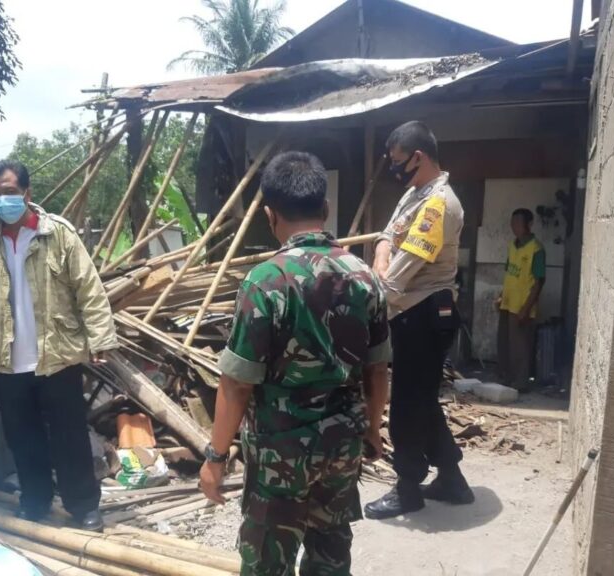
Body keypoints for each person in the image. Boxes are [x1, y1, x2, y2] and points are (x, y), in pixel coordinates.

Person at [198, 151, 391, 575]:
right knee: (330, 555)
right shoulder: (365, 278)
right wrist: (373, 431)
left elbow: (236, 383)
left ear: (270, 215)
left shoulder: (266, 280)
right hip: (342, 444)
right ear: (324, 209)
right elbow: (378, 369)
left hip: (279, 456)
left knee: (269, 560)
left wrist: (215, 457)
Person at [0, 160, 117, 531]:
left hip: (56, 354)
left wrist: (100, 337)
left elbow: (87, 287)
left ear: (27, 193)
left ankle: (84, 507)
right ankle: (35, 500)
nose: (3, 199)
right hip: (7, 360)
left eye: (9, 191)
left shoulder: (57, 233)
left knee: (69, 435)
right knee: (22, 439)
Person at [365, 121, 473, 520]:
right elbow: (385, 237)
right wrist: (380, 255)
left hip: (425, 314)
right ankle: (452, 480)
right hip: (413, 310)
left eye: (398, 162)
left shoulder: (438, 204)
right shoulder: (415, 194)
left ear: (419, 157)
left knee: (409, 403)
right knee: (422, 400)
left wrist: (379, 275)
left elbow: (395, 277)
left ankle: (407, 487)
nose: (395, 170)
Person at [497, 208, 546, 391]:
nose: (514, 227)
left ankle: (521, 383)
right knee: (505, 344)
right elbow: (510, 274)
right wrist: (501, 296)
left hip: (522, 306)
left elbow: (539, 282)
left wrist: (526, 308)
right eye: (512, 223)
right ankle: (507, 379)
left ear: (529, 224)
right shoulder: (512, 245)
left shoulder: (536, 249)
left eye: (518, 223)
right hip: (508, 303)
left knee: (521, 348)